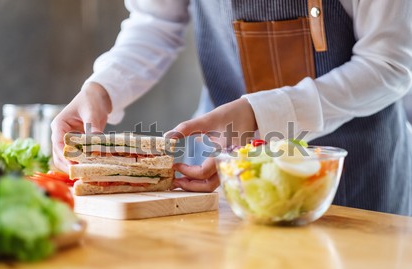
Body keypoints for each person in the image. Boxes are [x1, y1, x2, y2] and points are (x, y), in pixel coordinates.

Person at [52, 0, 412, 216]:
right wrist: (103, 87)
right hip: (220, 165)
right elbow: (156, 22)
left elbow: (390, 64)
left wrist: (257, 115)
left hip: (355, 173)